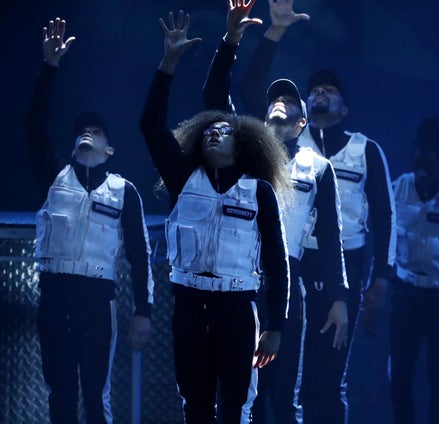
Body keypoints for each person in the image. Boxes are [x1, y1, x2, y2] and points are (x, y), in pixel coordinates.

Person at [139, 10, 291, 423]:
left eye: (224, 128)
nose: (214, 130)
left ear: (242, 141)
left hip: (239, 308)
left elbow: (277, 264)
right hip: (189, 304)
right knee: (196, 405)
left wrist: (276, 324)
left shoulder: (258, 191)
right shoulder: (183, 177)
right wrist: (168, 63)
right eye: (208, 129)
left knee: (235, 408)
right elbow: (151, 125)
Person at [201, 1, 349, 422]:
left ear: (303, 122)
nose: (280, 103)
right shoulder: (246, 149)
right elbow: (243, 87)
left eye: (289, 100)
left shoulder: (319, 168)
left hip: (288, 287)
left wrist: (339, 296)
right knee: (235, 394)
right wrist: (273, 34)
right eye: (274, 100)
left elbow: (333, 235)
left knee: (283, 397)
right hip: (239, 279)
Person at [26, 17, 154, 424]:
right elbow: (33, 127)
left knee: (96, 397)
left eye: (96, 131)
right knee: (60, 393)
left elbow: (139, 253)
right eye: (82, 129)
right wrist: (50, 67)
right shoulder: (55, 178)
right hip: (54, 295)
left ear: (109, 149)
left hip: (97, 301)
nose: (88, 133)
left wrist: (143, 311)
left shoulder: (123, 191)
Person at [388, 117, 439, 424]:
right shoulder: (398, 187)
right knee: (400, 373)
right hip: (406, 292)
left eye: (431, 162)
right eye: (419, 161)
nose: (424, 171)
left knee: (438, 374)